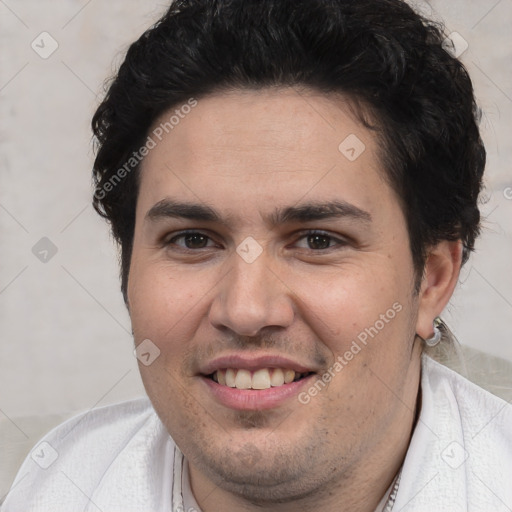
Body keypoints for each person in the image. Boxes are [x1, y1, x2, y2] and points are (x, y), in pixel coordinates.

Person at [2, 0, 511, 510]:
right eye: (193, 240)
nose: (246, 311)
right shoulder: (40, 487)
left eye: (317, 240)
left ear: (432, 281)